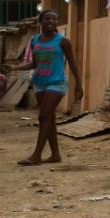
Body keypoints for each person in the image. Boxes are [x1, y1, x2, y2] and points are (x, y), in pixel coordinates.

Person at [19, 10, 80, 166]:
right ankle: (55, 155)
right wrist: (14, 68)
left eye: (54, 19)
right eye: (47, 18)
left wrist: (79, 84)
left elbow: (73, 64)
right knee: (49, 118)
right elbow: (34, 64)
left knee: (44, 116)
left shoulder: (63, 41)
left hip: (57, 82)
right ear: (41, 21)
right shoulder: (35, 40)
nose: (51, 21)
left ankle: (37, 155)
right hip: (40, 82)